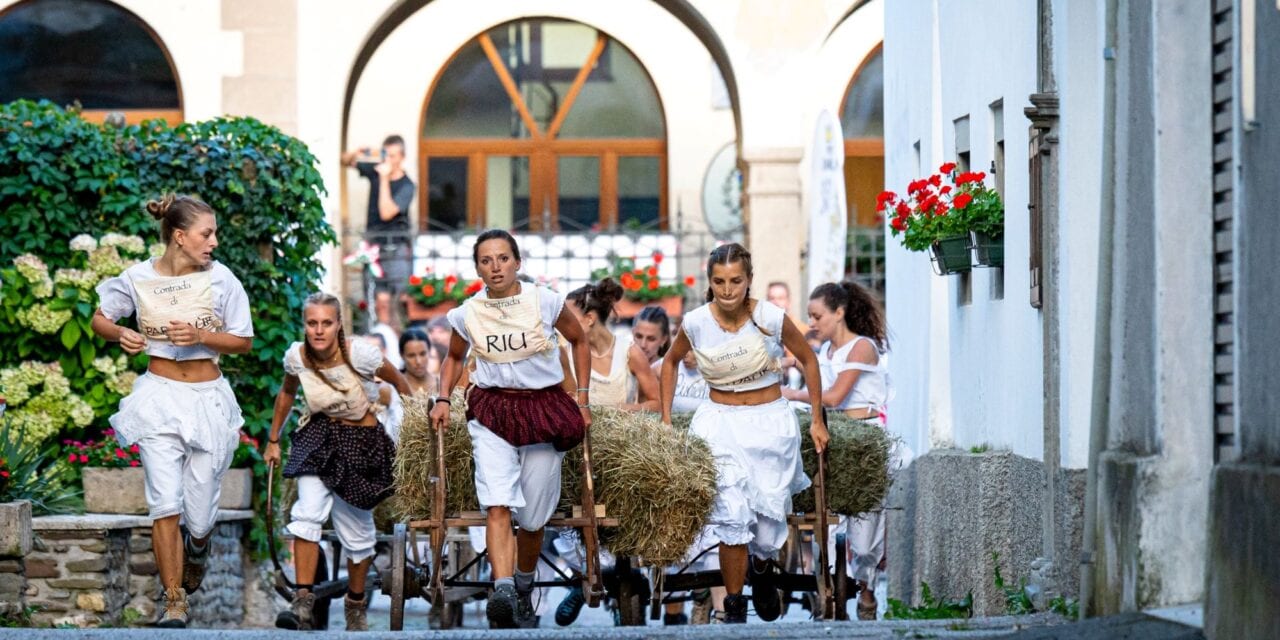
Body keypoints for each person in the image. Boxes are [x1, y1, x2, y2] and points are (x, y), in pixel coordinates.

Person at [91, 194, 254, 628]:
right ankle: (173, 600)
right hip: (159, 397)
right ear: (180, 237)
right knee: (164, 501)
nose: (214, 242)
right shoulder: (138, 277)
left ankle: (198, 545)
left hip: (207, 400)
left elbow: (243, 340)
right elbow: (100, 318)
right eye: (207, 234)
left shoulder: (222, 280)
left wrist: (201, 336)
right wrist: (119, 332)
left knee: (199, 515)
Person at [430, 229, 593, 629]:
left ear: (517, 262)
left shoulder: (545, 301)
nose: (495, 266)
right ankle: (502, 589)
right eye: (486, 260)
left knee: (534, 517)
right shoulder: (468, 312)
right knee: (497, 500)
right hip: (492, 409)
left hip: (542, 409)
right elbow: (454, 358)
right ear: (478, 269)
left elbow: (579, 340)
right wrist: (443, 398)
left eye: (503, 258)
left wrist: (583, 398)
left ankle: (522, 584)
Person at [660, 243, 828, 624]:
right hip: (719, 423)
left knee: (768, 529)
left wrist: (816, 418)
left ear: (749, 280)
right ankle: (733, 605)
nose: (728, 289)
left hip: (770, 424)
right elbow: (669, 363)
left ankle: (764, 569)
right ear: (710, 282)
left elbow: (809, 359)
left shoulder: (771, 316)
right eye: (719, 281)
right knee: (731, 516)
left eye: (736, 281)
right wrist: (667, 419)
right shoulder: (697, 322)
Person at [264, 292, 411, 631]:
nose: (318, 330)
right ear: (305, 325)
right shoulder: (297, 356)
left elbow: (399, 382)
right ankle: (302, 600)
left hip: (363, 444)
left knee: (357, 534)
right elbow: (287, 393)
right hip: (319, 438)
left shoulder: (360, 354)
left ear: (339, 325)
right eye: (312, 323)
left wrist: (417, 423)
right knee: (307, 513)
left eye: (326, 323)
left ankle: (355, 604)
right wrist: (273, 440)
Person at [782, 281, 910, 620]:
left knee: (865, 538)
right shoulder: (825, 353)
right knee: (827, 521)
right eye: (810, 316)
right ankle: (830, 590)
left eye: (817, 316)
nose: (812, 323)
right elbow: (819, 382)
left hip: (864, 439)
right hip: (834, 437)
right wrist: (789, 365)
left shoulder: (862, 348)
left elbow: (836, 396)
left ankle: (866, 589)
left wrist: (793, 393)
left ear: (839, 313)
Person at [566, 279, 660, 411]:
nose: (563, 323)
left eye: (569, 317)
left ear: (589, 319)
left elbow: (658, 403)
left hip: (621, 430)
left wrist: (623, 410)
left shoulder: (629, 352)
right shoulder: (565, 353)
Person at [342, 135, 415, 292]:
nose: (387, 159)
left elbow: (387, 213)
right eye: (385, 154)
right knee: (378, 298)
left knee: (400, 299)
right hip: (373, 246)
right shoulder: (375, 170)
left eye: (392, 156)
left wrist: (384, 178)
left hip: (396, 247)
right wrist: (357, 152)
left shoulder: (407, 186)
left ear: (402, 157)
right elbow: (344, 161)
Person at [631, 305, 671, 376]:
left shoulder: (670, 372)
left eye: (651, 339)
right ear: (633, 333)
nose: (643, 345)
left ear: (664, 340)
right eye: (639, 336)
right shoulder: (620, 366)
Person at [370, 289, 404, 369]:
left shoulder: (396, 329)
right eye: (381, 303)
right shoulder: (377, 331)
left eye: (387, 302)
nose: (384, 306)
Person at [399, 328, 437, 397]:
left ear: (429, 352)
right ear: (402, 355)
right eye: (411, 356)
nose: (418, 361)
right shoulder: (394, 387)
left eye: (422, 354)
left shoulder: (441, 384)